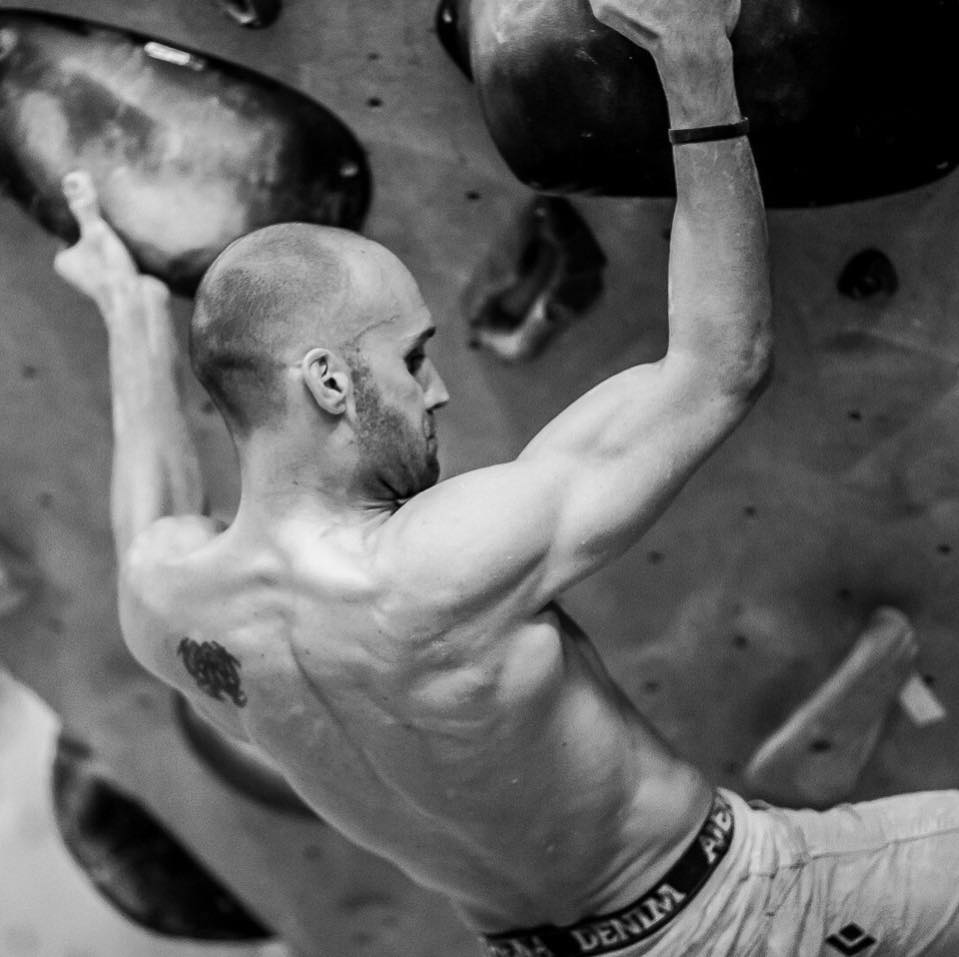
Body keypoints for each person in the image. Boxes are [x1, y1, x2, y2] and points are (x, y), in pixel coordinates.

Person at [51, 0, 959, 954]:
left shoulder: (173, 610)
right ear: (326, 379)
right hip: (736, 915)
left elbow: (144, 516)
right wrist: (695, 66)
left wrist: (128, 314)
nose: (435, 390)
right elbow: (718, 363)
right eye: (411, 357)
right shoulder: (440, 567)